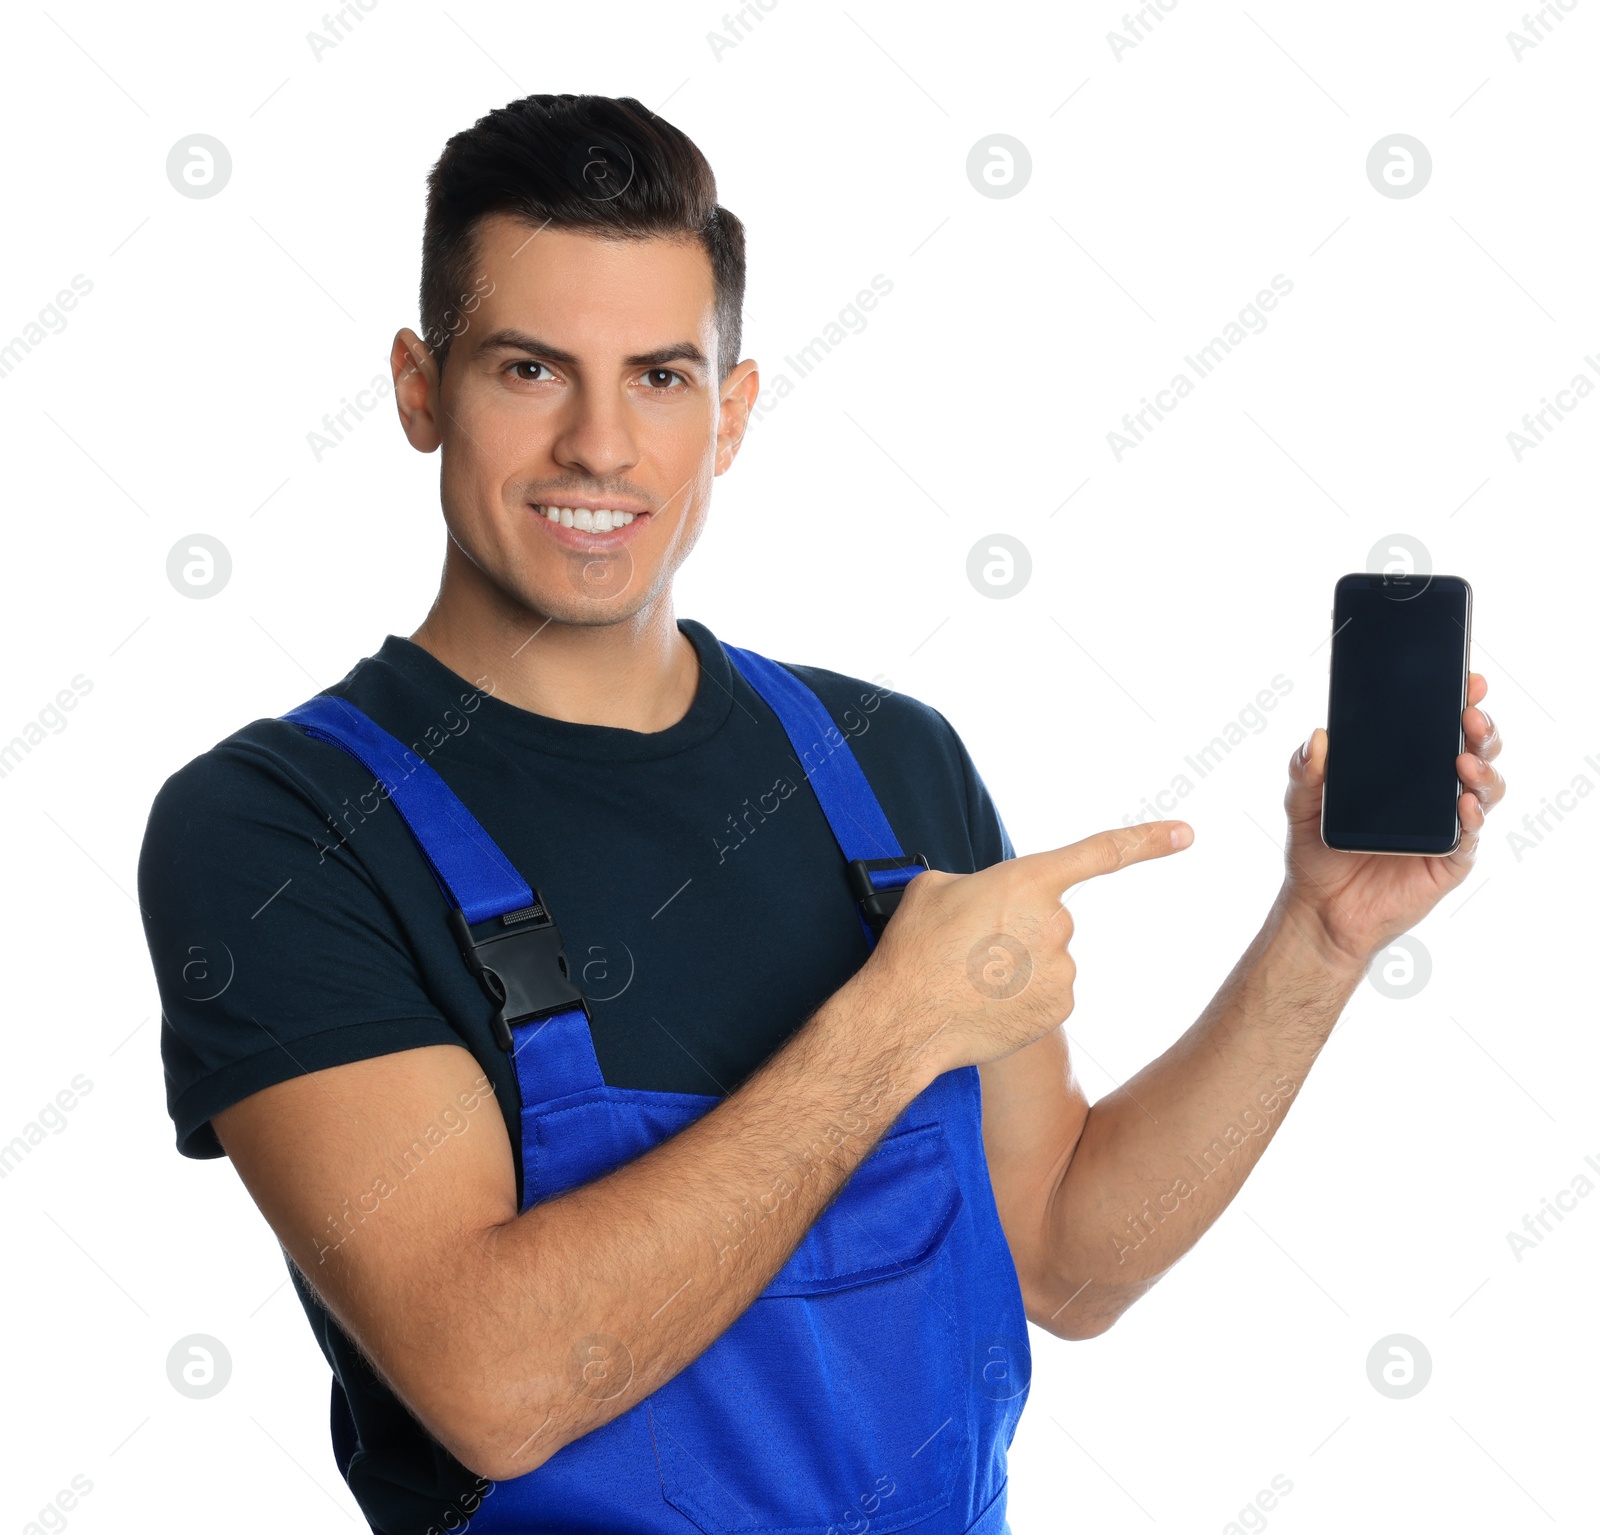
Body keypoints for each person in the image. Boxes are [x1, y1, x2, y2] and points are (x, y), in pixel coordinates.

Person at [138, 93, 1507, 1535]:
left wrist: (1324, 935)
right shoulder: (279, 830)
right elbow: (497, 1382)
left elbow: (1069, 1262)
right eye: (532, 368)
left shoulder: (889, 766)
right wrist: (898, 1023)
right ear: (421, 388)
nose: (600, 446)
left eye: (661, 377)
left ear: (729, 414)